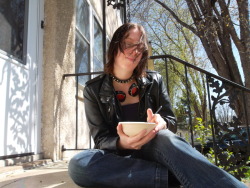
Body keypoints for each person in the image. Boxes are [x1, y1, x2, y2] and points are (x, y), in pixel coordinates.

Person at [68, 23, 246, 188]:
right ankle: (172, 176)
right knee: (79, 165)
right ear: (115, 45)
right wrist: (122, 142)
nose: (135, 51)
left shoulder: (154, 81)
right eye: (129, 44)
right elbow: (100, 140)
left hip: (153, 149)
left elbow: (170, 121)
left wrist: (163, 122)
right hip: (118, 157)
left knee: (165, 137)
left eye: (140, 47)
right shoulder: (93, 90)